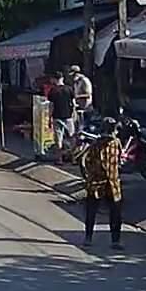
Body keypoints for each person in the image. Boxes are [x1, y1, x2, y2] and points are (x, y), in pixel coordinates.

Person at [79, 117, 124, 250]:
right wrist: (89, 177)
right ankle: (88, 237)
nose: (112, 133)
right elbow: (85, 161)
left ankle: (116, 240)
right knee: (91, 211)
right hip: (96, 182)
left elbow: (119, 160)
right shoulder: (96, 145)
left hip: (113, 182)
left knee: (116, 212)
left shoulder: (116, 143)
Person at [47, 73, 76, 158]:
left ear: (55, 79)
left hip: (57, 117)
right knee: (71, 137)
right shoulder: (69, 89)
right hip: (68, 117)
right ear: (62, 78)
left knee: (58, 139)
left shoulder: (53, 91)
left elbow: (51, 106)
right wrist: (74, 114)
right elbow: (73, 104)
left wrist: (49, 117)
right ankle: (73, 157)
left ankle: (59, 159)